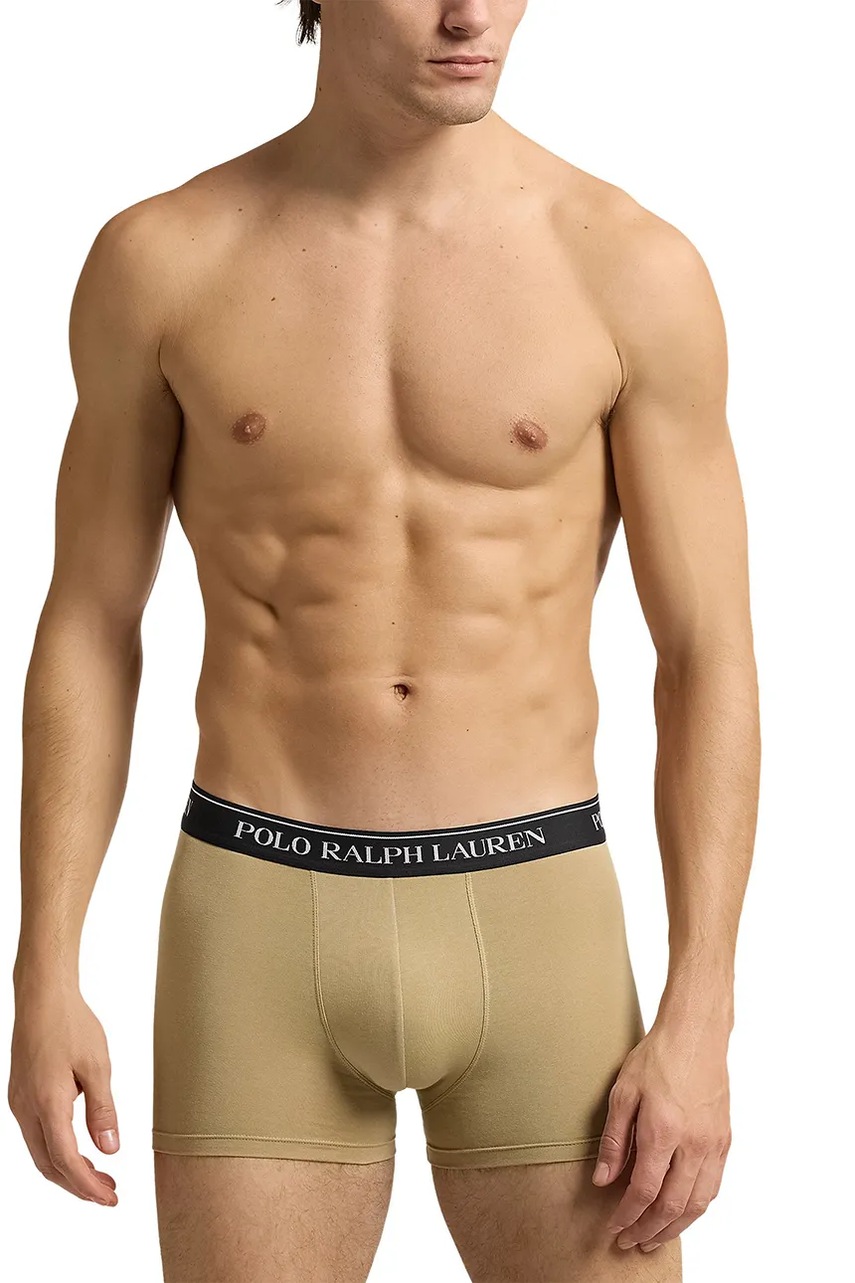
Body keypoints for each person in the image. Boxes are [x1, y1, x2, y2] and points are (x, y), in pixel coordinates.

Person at [8, 1, 760, 1279]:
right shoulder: (165, 259)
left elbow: (707, 657)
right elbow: (89, 618)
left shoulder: (629, 267)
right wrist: (44, 967)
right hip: (256, 913)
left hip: (540, 916)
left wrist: (703, 1011)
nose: (471, 13)